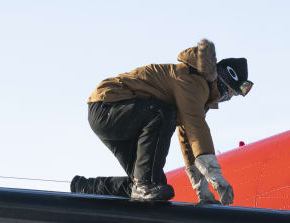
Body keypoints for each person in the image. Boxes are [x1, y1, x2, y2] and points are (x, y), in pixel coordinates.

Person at [70, 40, 251, 202]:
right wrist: (215, 175)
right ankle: (144, 184)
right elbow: (196, 127)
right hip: (108, 106)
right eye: (229, 94)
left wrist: (202, 190)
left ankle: (85, 188)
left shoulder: (196, 96)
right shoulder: (192, 80)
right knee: (163, 114)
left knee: (152, 186)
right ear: (222, 81)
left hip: (121, 118)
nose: (226, 99)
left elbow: (188, 139)